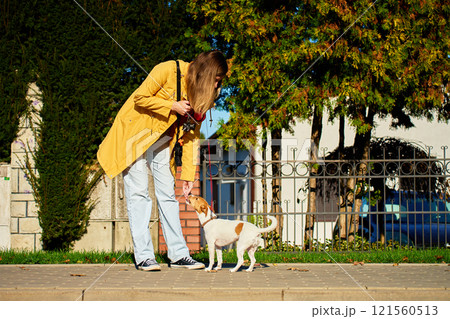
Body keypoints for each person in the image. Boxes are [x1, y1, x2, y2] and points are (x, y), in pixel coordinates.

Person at [97, 51, 228, 271]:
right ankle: (144, 256)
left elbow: (192, 137)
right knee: (139, 193)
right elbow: (140, 98)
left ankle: (178, 255)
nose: (218, 85)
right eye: (216, 79)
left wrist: (187, 176)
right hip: (135, 136)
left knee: (168, 195)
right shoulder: (168, 70)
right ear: (207, 72)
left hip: (163, 141)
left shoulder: (198, 93)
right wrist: (171, 106)